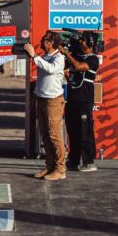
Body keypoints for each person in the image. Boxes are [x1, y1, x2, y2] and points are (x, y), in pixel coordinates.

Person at [24, 31, 67, 181]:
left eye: (44, 40)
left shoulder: (59, 58)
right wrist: (35, 95)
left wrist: (34, 56)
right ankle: (50, 166)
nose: (42, 42)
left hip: (53, 101)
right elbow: (43, 78)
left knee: (55, 135)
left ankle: (60, 169)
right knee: (45, 135)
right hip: (42, 99)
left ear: (50, 43)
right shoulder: (45, 57)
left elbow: (51, 69)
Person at [62, 32, 101, 172]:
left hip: (84, 101)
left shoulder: (93, 59)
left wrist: (67, 54)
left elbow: (79, 67)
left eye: (83, 40)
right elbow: (65, 67)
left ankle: (89, 162)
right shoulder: (75, 55)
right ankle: (73, 160)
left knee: (85, 132)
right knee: (72, 131)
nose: (80, 42)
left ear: (90, 43)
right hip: (72, 98)